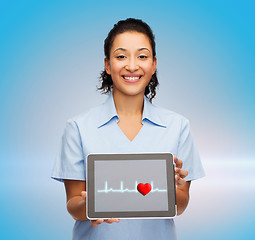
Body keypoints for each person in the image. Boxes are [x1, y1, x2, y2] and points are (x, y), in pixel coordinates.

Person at [51, 18, 205, 240]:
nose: (132, 66)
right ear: (107, 65)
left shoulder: (178, 126)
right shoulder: (78, 127)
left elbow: (180, 206)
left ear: (153, 64)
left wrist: (174, 187)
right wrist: (91, 208)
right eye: (121, 56)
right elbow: (73, 204)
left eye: (142, 56)